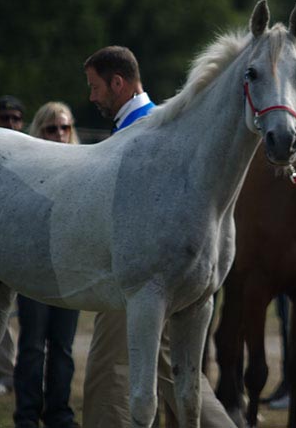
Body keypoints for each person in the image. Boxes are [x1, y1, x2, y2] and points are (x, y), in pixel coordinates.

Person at [81, 45, 235, 428]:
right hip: (154, 274)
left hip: (140, 273)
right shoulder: (146, 123)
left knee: (107, 369)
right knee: (173, 371)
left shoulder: (146, 129)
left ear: (118, 83)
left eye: (95, 86)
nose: (92, 96)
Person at [13, 102, 81, 428]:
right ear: (38, 131)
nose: (59, 134)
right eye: (51, 128)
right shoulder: (25, 169)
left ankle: (59, 414)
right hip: (33, 269)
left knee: (63, 350)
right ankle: (26, 416)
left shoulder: (84, 169)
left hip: (70, 272)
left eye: (64, 128)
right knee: (31, 347)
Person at [0, 94, 26, 397]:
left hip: (28, 248)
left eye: (15, 118)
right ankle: (5, 374)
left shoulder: (31, 154)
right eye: (4, 118)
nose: (10, 123)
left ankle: (30, 376)